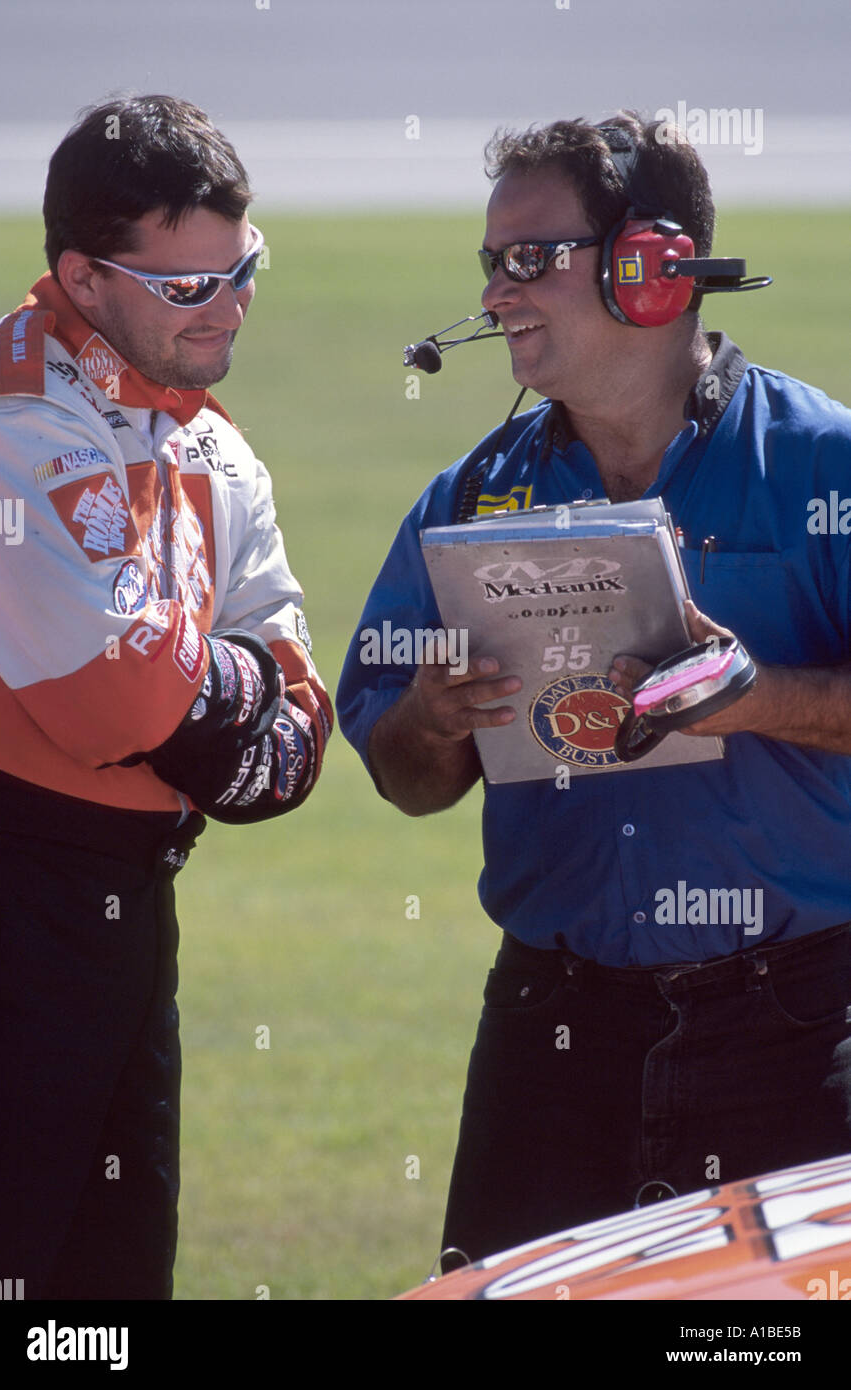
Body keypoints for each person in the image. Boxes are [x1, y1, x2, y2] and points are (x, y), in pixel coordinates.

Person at [336, 112, 851, 1269]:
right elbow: (405, 780)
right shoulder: (464, 499)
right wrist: (429, 718)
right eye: (490, 264)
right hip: (551, 1032)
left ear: (654, 272)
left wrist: (755, 696)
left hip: (803, 1027)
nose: (498, 293)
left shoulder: (826, 464)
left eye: (530, 259)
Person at [0, 95, 333, 1299]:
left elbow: (298, 723)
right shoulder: (8, 415)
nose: (227, 308)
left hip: (131, 903)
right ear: (81, 275)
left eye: (244, 272)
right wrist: (216, 693)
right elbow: (117, 696)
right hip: (8, 899)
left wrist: (204, 688)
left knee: (116, 1287)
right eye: (188, 288)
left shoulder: (213, 440)